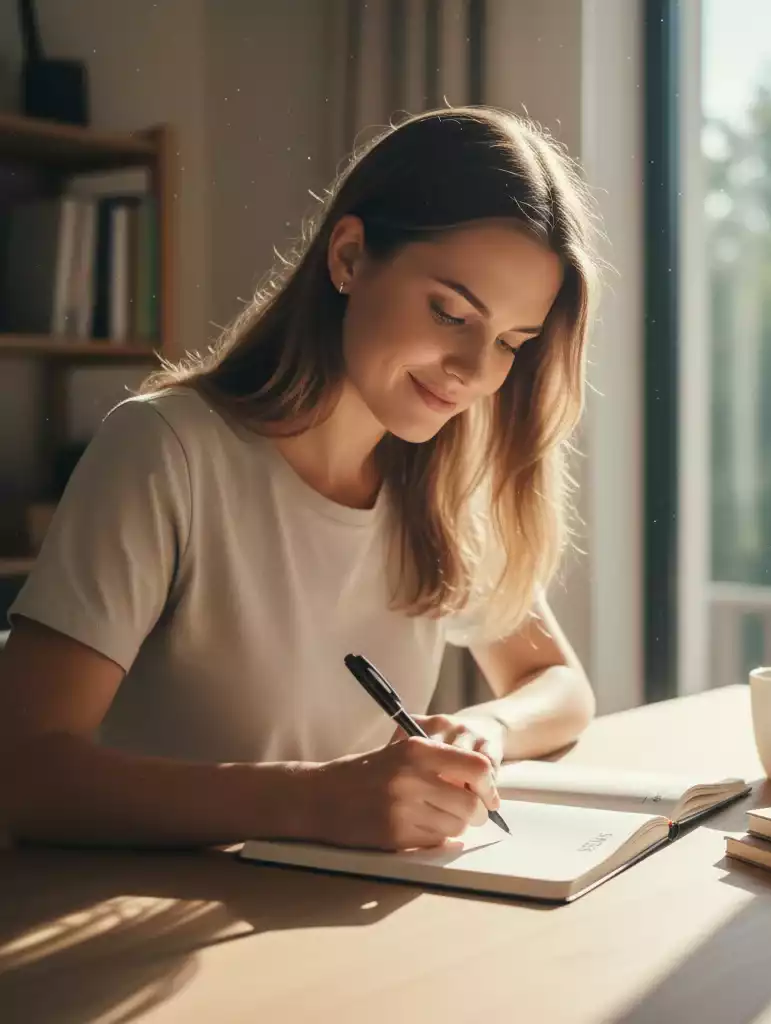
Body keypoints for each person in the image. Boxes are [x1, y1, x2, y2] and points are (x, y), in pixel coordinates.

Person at [0, 106, 602, 853]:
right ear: (349, 257)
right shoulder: (167, 450)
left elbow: (559, 684)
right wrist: (313, 801)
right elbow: (20, 771)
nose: (475, 372)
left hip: (325, 905)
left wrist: (486, 729)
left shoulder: (445, 486)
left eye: (511, 341)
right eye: (451, 314)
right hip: (137, 907)